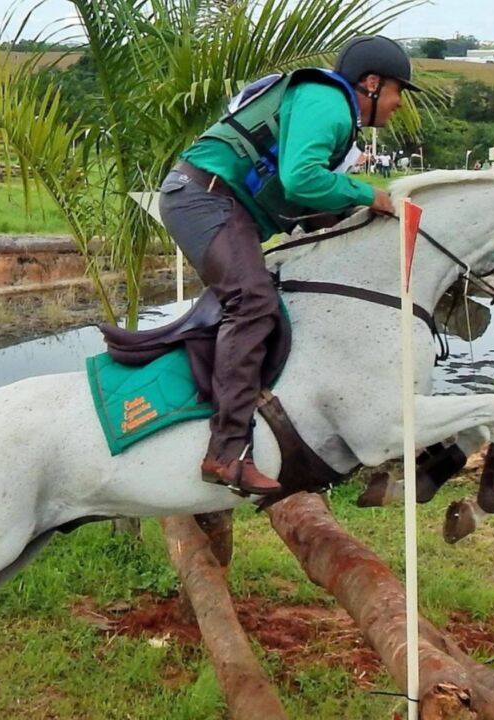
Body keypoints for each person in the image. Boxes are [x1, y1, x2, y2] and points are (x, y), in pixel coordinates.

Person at [157, 34, 416, 494]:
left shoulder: (330, 108)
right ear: (372, 83)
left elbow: (308, 196)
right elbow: (302, 180)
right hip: (205, 199)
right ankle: (227, 453)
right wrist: (371, 195)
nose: (398, 104)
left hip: (218, 204)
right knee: (253, 303)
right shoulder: (329, 101)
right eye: (398, 90)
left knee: (268, 294)